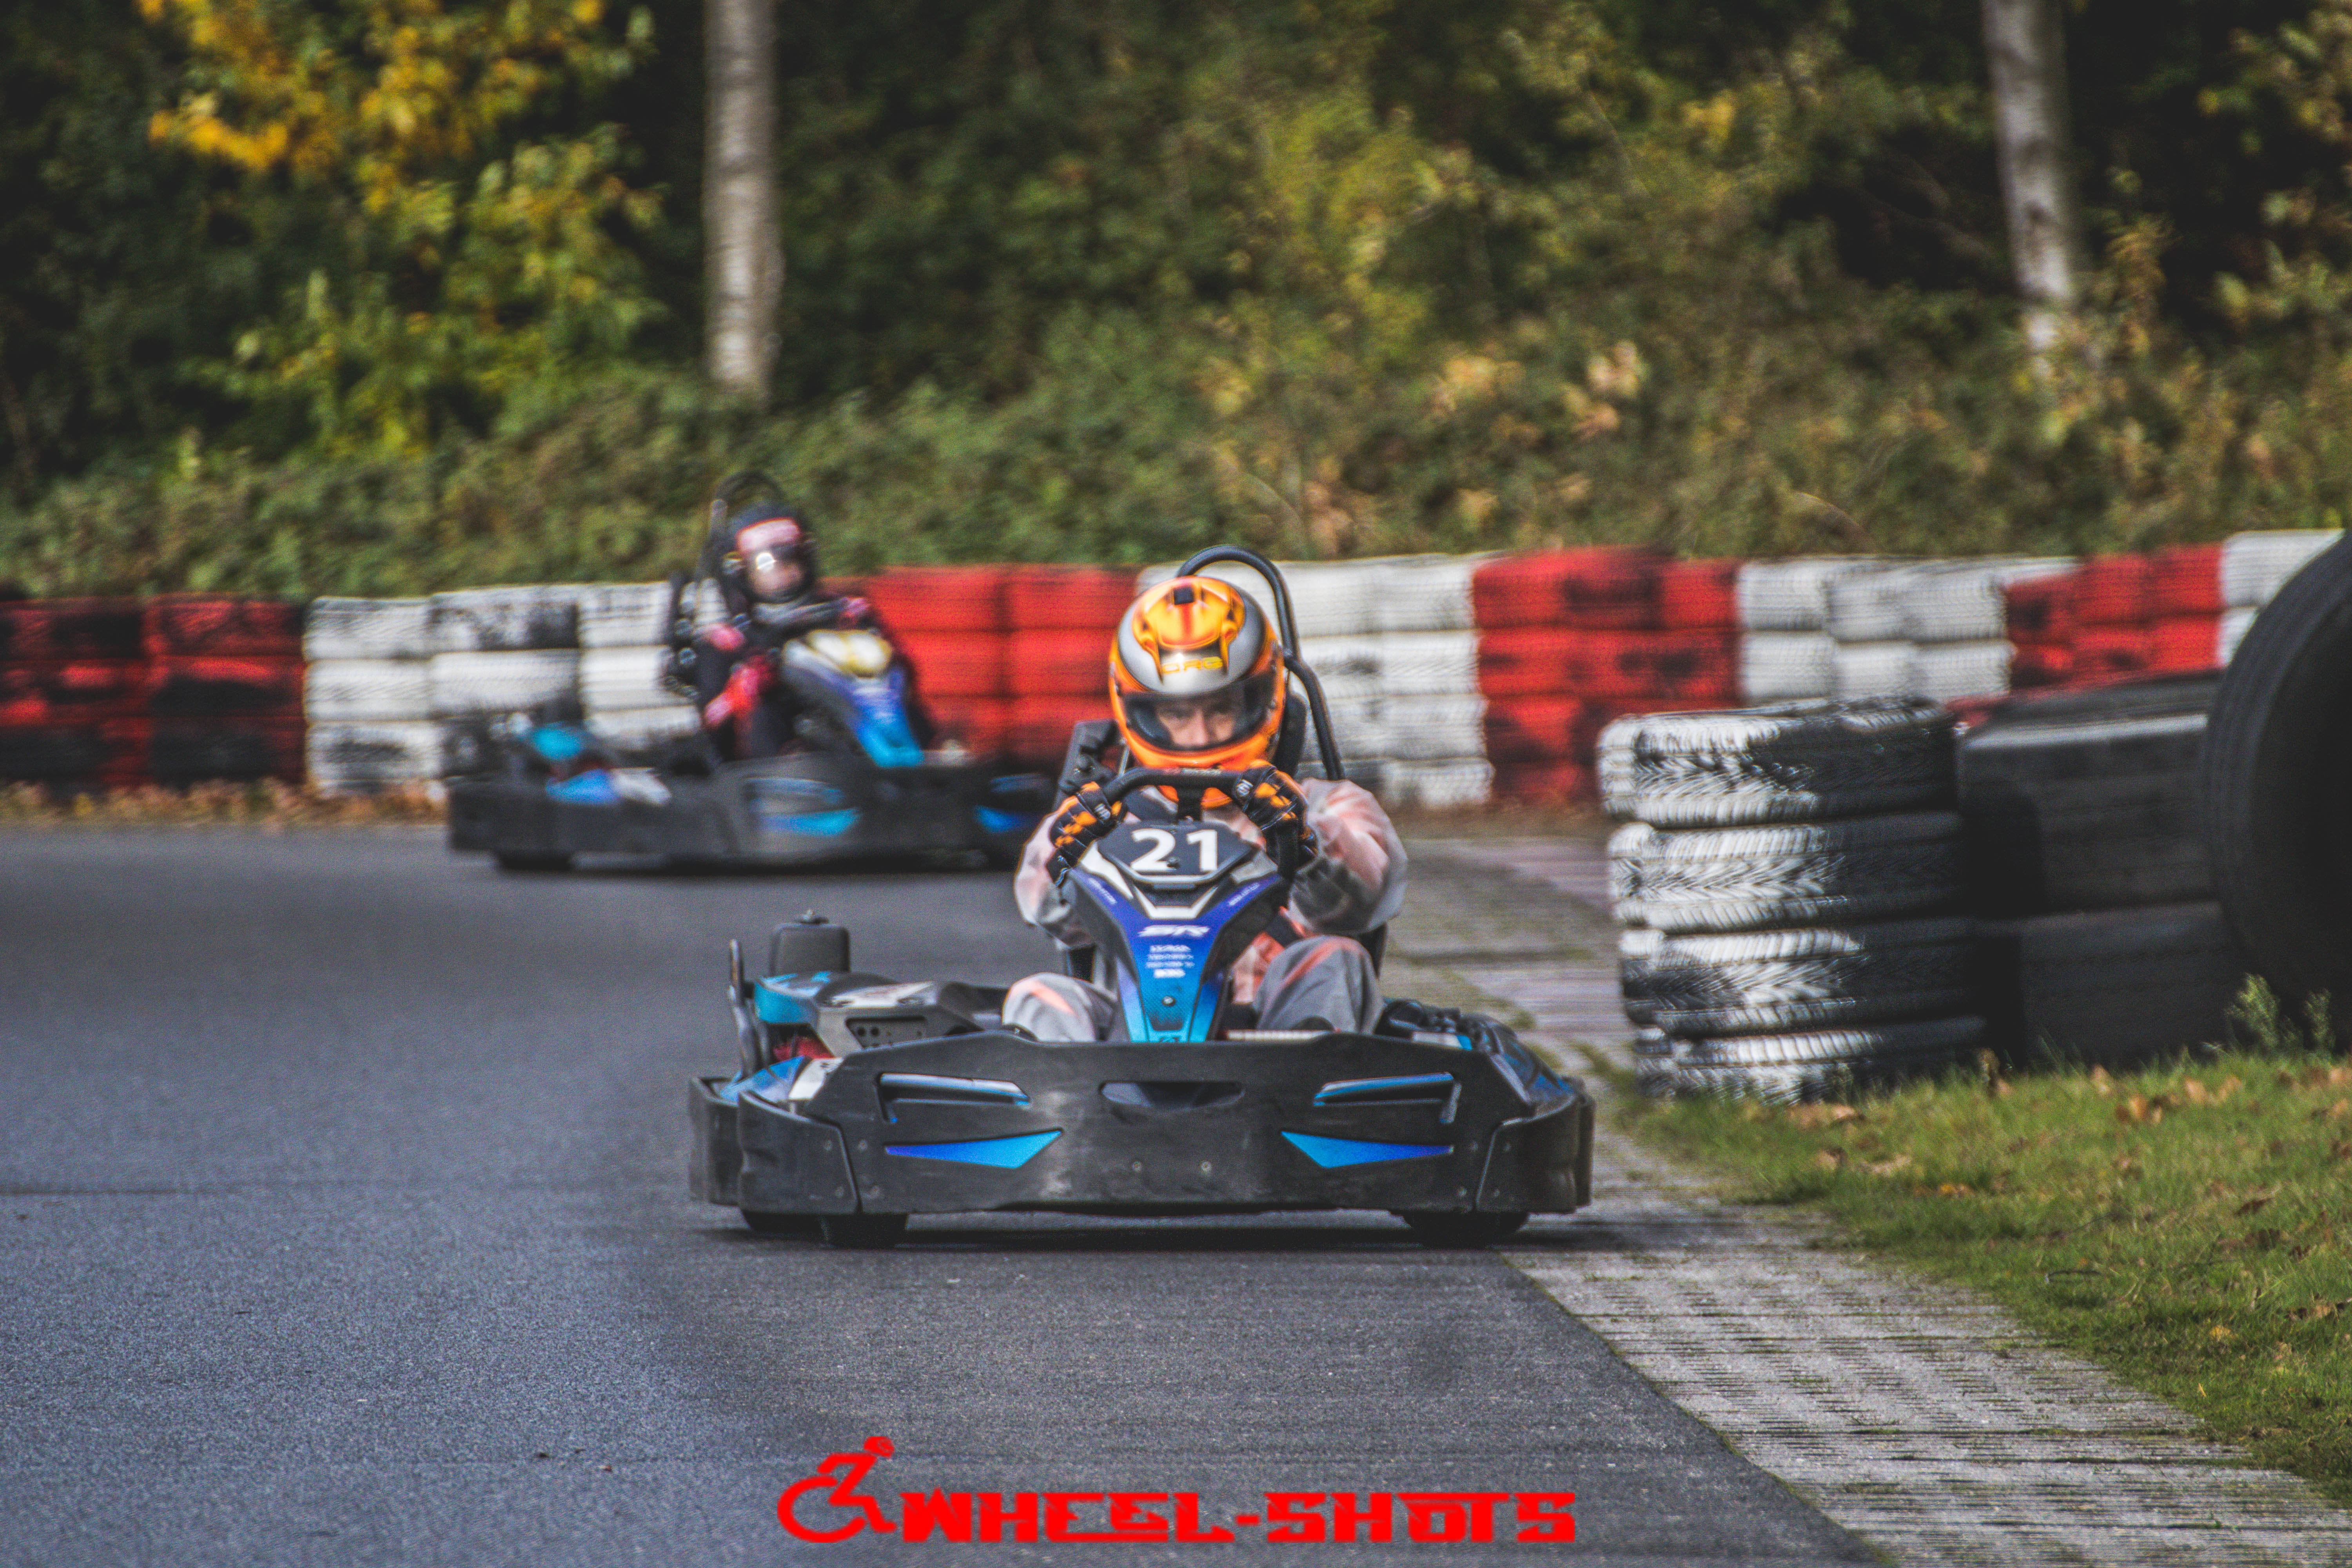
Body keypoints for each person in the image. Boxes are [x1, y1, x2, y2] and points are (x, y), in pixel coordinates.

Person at [1005, 575, 1405, 1040]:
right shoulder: (1102, 815)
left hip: (1273, 1042)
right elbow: (1044, 912)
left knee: (1336, 958)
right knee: (1037, 994)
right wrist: (1070, 858)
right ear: (1138, 712)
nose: (1200, 736)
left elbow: (1363, 903)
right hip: (1130, 1047)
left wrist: (1303, 842)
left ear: (1265, 699)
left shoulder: (1328, 806)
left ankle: (1308, 1079)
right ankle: (1073, 1089)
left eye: (1222, 709)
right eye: (1177, 714)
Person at [686, 472, 908, 760]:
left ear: (806, 559)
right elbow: (712, 729)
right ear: (742, 573)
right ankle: (794, 760)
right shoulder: (730, 641)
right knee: (769, 708)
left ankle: (929, 759)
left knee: (902, 702)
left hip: (855, 727)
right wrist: (741, 692)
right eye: (767, 567)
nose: (782, 575)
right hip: (773, 760)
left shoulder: (848, 615)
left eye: (789, 561)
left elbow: (899, 668)